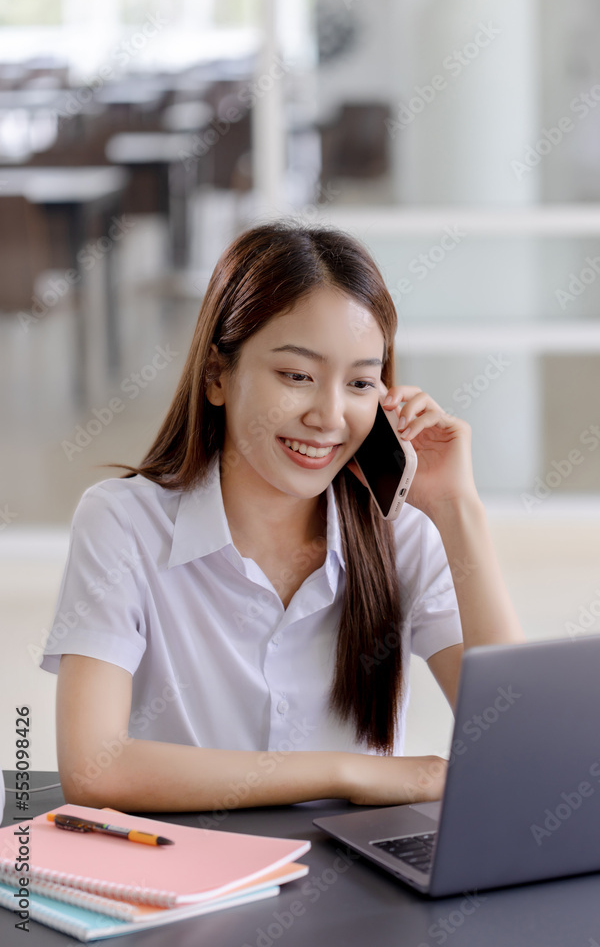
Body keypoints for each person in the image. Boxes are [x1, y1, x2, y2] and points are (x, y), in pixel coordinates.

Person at [40, 221, 524, 814]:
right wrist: (347, 772)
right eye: (297, 376)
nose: (329, 415)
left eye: (360, 383)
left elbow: (520, 744)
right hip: (191, 877)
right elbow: (95, 768)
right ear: (218, 376)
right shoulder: (122, 523)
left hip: (363, 887)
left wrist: (456, 507)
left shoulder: (399, 533)